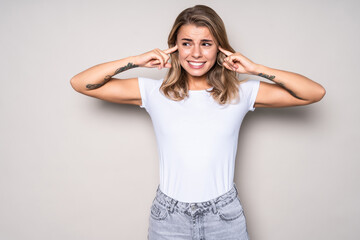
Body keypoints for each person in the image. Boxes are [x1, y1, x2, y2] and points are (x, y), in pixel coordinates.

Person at [70, 4, 325, 240]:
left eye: (206, 43)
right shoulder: (154, 92)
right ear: (175, 47)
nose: (195, 53)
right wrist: (137, 60)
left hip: (224, 217)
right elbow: (80, 83)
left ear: (220, 49)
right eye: (186, 43)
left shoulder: (240, 93)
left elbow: (314, 93)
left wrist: (254, 68)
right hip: (168, 218)